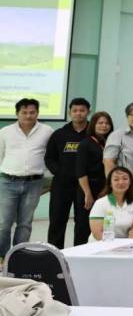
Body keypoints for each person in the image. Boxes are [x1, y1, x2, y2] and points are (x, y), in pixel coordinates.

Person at [0, 98, 54, 257]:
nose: (28, 116)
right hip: (8, 182)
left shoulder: (47, 131)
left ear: (37, 113)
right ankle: (2, 258)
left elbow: (50, 155)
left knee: (25, 223)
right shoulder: (5, 132)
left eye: (32, 112)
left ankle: (19, 257)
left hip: (34, 183)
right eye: (24, 112)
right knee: (3, 223)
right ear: (17, 113)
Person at [44, 97, 90, 248]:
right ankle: (55, 254)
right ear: (70, 112)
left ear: (88, 112)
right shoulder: (59, 134)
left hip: (86, 186)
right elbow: (49, 158)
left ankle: (81, 253)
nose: (78, 113)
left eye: (82, 110)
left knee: (83, 222)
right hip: (61, 185)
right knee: (57, 220)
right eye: (75, 110)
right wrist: (60, 172)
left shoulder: (94, 133)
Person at [75, 112, 113, 246]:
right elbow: (81, 171)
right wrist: (87, 193)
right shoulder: (86, 143)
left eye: (107, 123)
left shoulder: (109, 143)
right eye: (100, 123)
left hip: (105, 188)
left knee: (104, 224)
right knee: (84, 225)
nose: (104, 126)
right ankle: (79, 252)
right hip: (89, 187)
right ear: (93, 125)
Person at [88, 166, 133, 240]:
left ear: (130, 182)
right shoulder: (100, 203)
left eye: (125, 179)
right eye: (116, 179)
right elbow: (97, 234)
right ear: (110, 183)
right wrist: (113, 246)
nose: (121, 182)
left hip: (124, 244)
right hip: (101, 243)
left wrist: (127, 244)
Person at [103, 101, 133, 176]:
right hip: (126, 181)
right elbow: (109, 162)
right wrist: (114, 181)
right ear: (127, 116)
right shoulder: (117, 135)